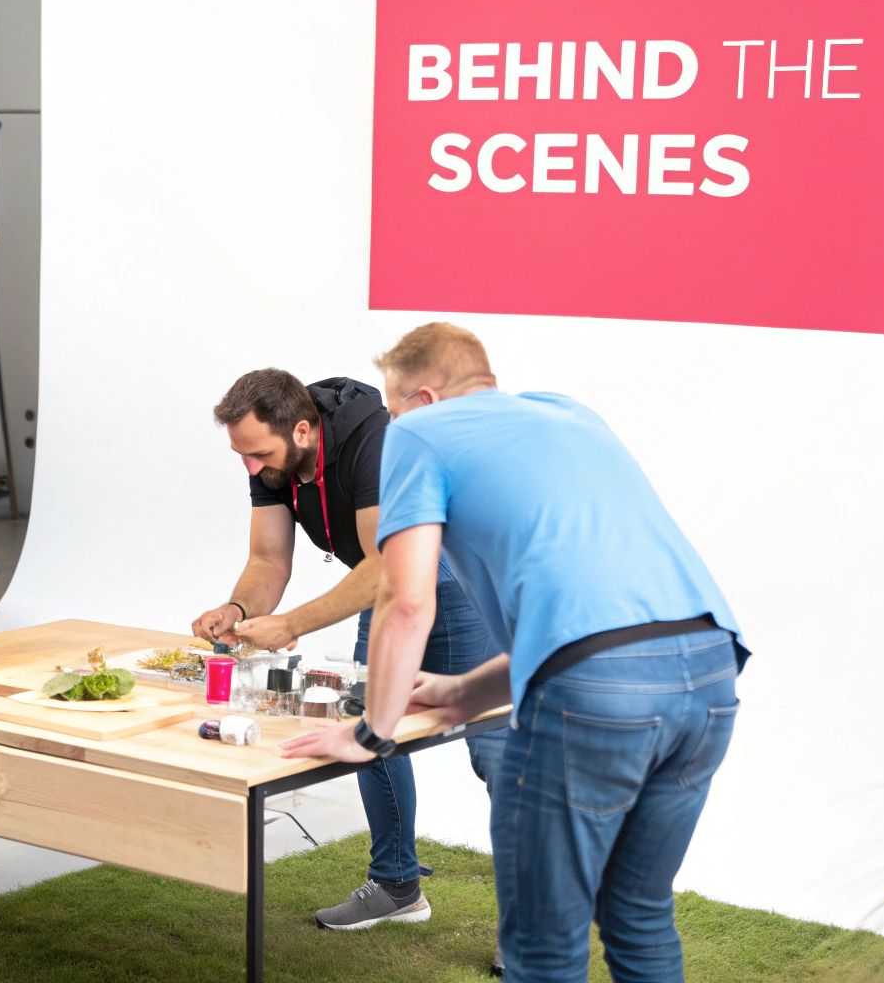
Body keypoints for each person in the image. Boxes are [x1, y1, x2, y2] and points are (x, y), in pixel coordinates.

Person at [282, 323, 748, 981]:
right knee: (639, 915)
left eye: (390, 413)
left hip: (595, 697)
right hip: (709, 675)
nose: (388, 433)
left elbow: (405, 597)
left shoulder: (420, 431)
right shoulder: (571, 414)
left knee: (541, 948)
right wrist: (471, 691)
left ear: (425, 399)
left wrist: (372, 732)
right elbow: (612, 619)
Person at [191, 369, 507, 930]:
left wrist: (291, 621)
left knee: (495, 749)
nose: (250, 467)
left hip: (454, 580)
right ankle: (397, 885)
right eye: (241, 455)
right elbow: (268, 560)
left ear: (305, 432)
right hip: (382, 585)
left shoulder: (376, 444)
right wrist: (239, 611)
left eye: (258, 453)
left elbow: (391, 564)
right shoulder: (269, 463)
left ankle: (532, 923)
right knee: (367, 729)